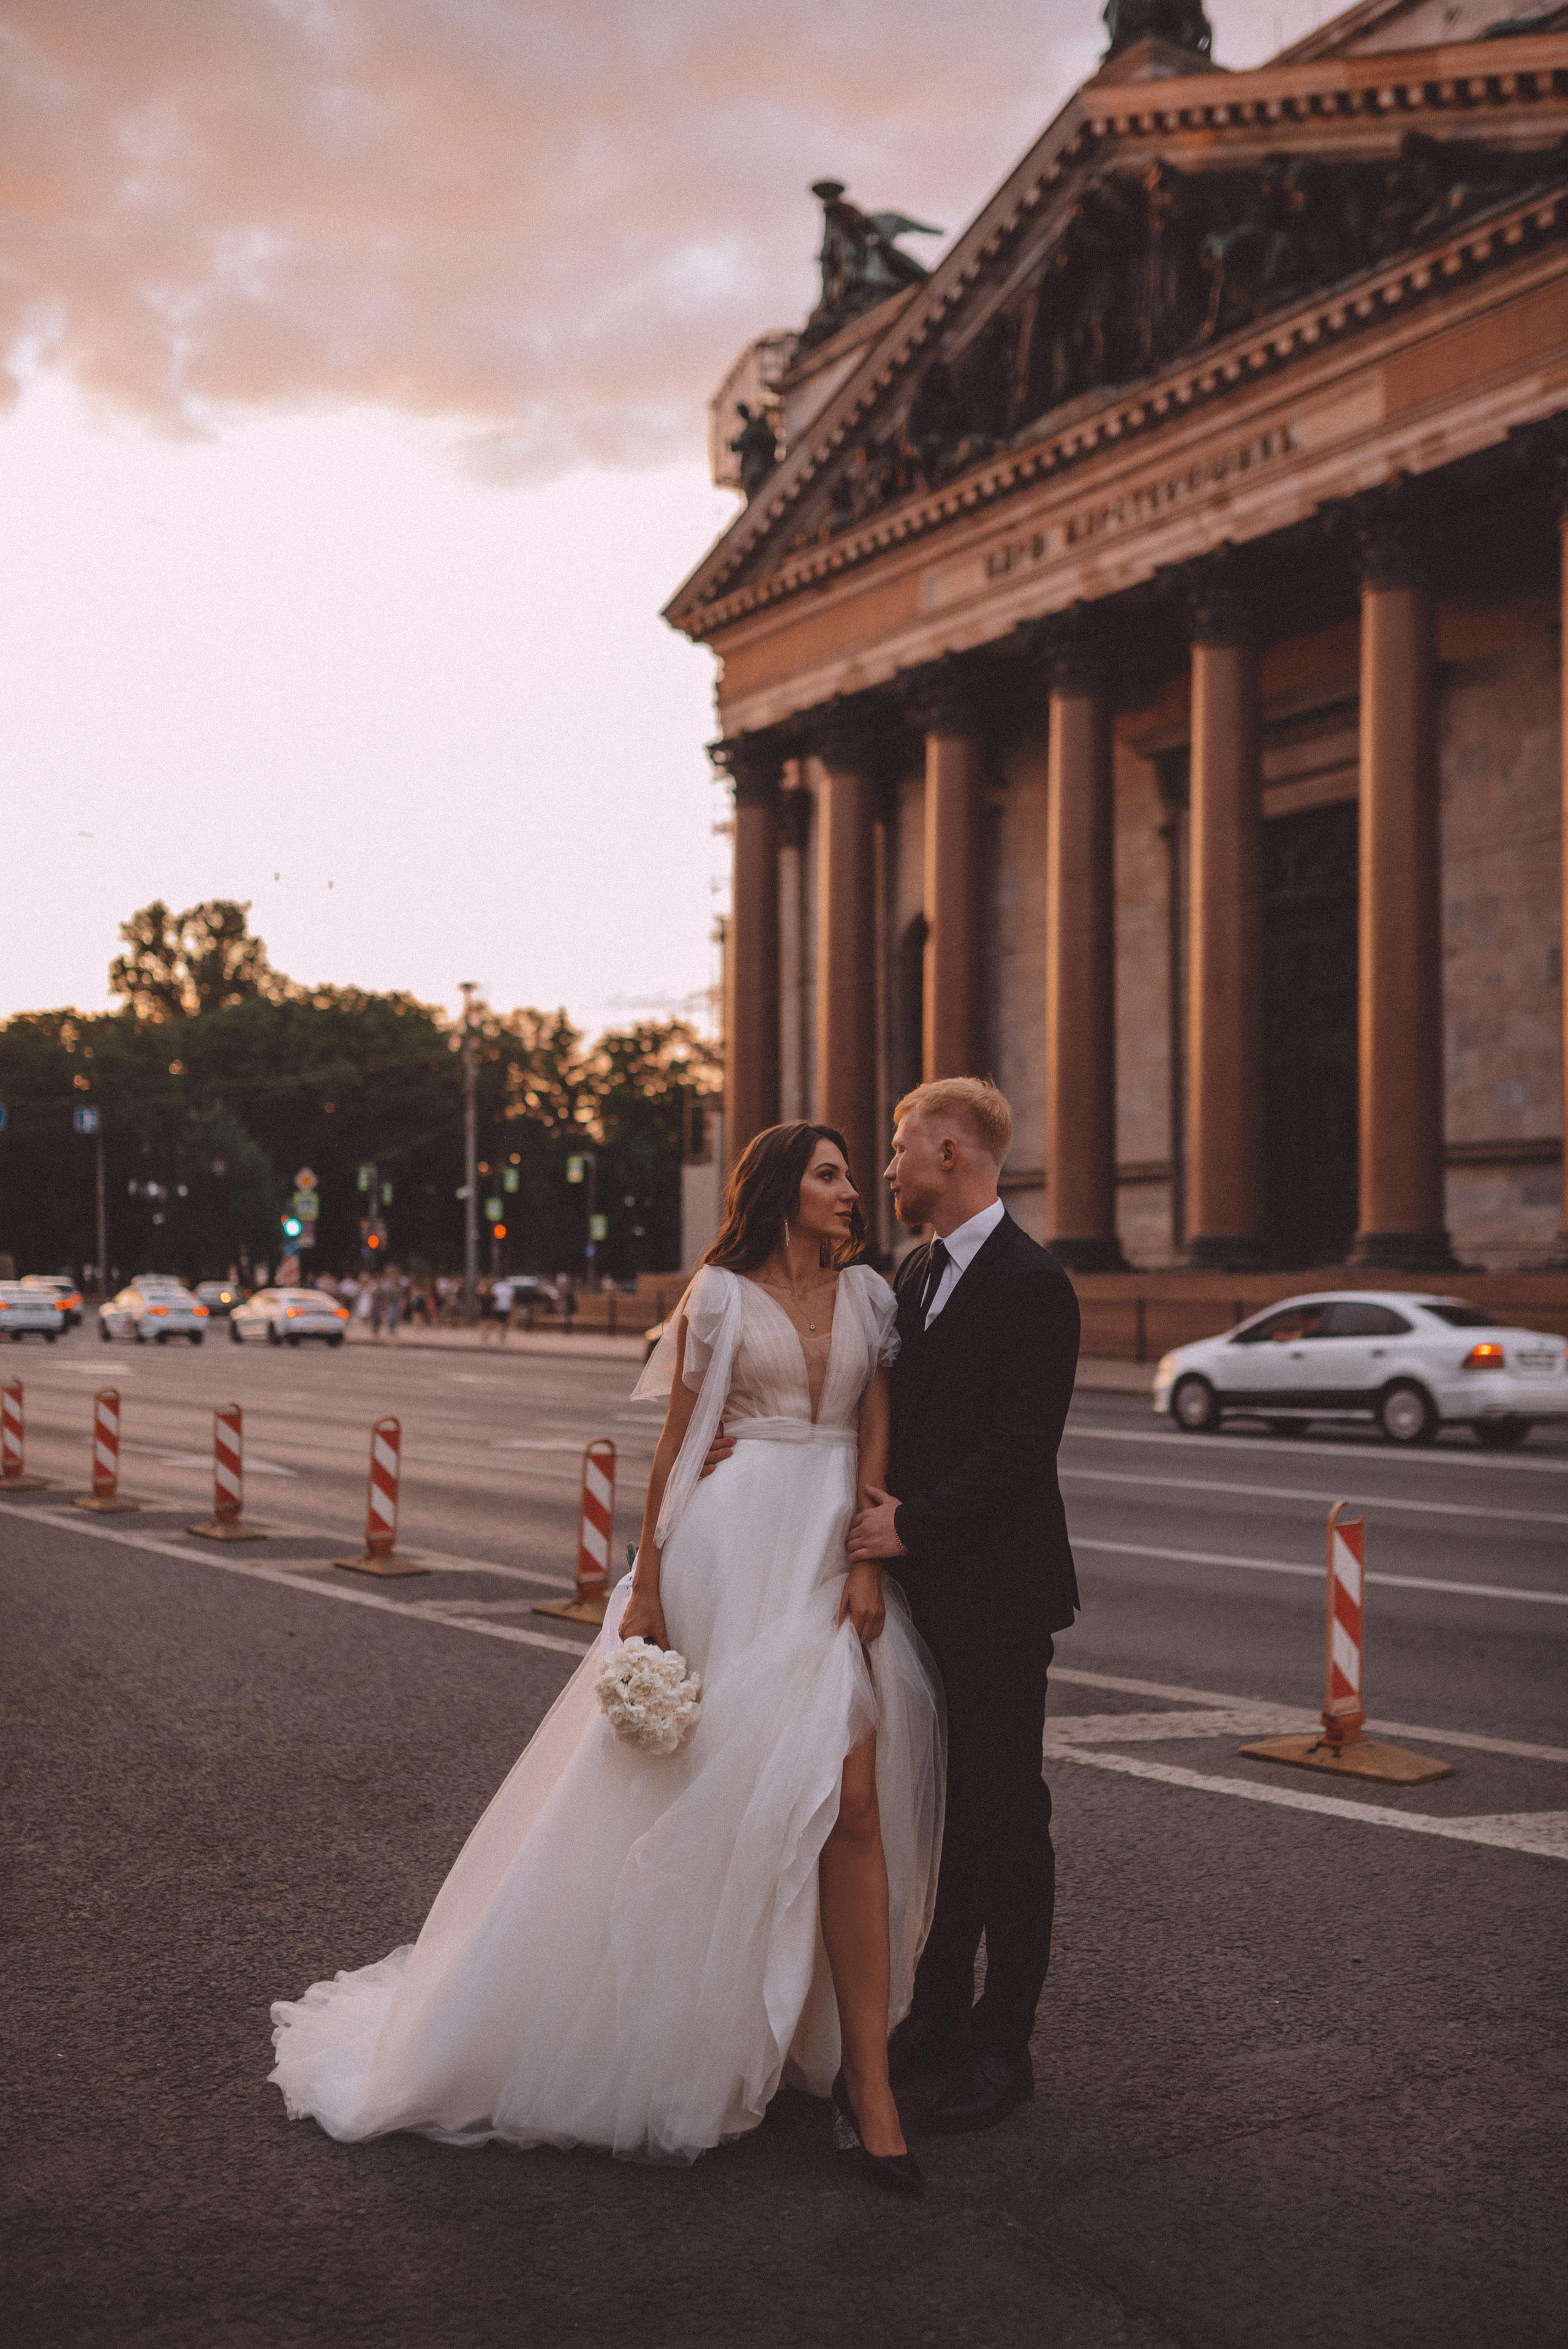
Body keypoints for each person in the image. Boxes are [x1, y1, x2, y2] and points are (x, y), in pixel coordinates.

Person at [268, 1122, 943, 2188]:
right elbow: (677, 1445)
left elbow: (873, 1426)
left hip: (823, 1560)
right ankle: (687, 2030)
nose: (853, 1190)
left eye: (853, 1174)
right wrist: (650, 1589)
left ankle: (870, 2080)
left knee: (850, 1797)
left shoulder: (870, 1297)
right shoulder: (716, 1297)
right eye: (830, 1175)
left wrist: (868, 1557)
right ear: (778, 1191)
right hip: (726, 1557)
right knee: (710, 1799)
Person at [847, 1079, 1080, 2135]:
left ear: (950, 1152)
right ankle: (938, 2012)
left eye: (898, 1149)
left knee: (1007, 1818)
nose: (887, 1167)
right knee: (944, 1815)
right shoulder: (916, 1266)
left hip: (995, 1592)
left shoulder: (1036, 1282)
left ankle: (1004, 2041)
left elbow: (1020, 1452)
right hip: (923, 1590)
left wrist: (912, 1526)